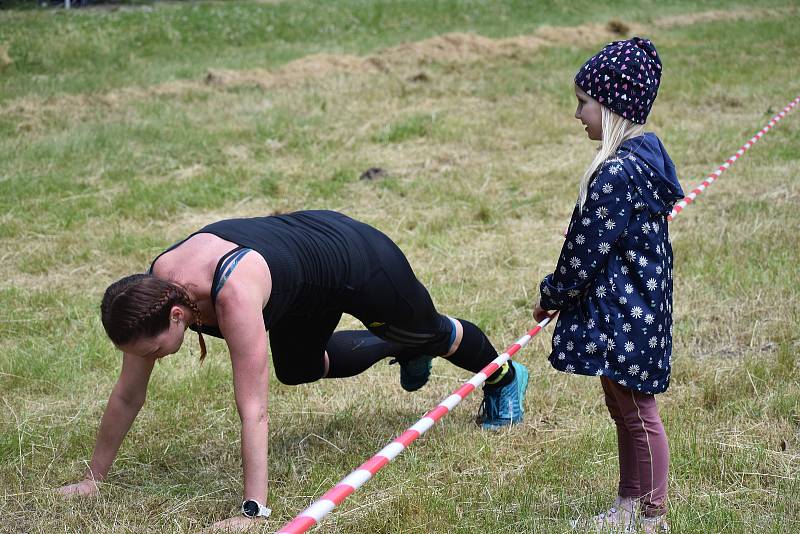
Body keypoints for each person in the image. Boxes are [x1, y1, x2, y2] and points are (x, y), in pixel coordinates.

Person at [56, 209, 529, 530]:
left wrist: (253, 510)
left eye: (155, 351)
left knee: (426, 331)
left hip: (351, 257)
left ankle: (504, 377)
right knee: (299, 369)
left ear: (179, 317)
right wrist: (94, 479)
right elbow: (126, 395)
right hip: (300, 285)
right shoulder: (152, 295)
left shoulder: (232, 295)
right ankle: (401, 345)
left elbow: (254, 410)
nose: (151, 358)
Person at [532, 38, 683, 533]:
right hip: (627, 310)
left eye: (583, 102)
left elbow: (581, 252)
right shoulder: (638, 161)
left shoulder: (618, 174)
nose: (577, 113)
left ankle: (653, 515)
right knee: (622, 408)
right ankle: (627, 504)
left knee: (638, 412)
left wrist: (552, 295)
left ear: (613, 106)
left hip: (625, 314)